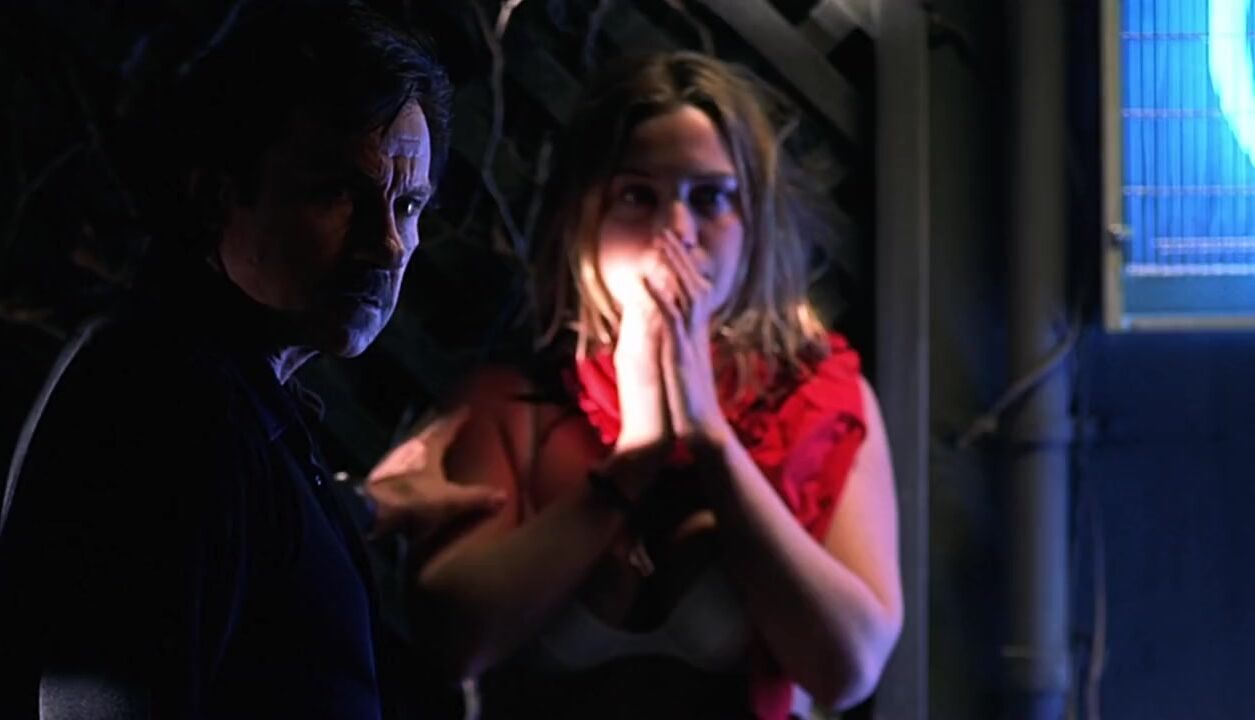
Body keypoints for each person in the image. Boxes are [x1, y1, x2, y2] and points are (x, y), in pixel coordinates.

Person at [0, 3, 503, 718]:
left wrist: (368, 505)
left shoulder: (226, 392)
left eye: (408, 205)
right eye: (339, 193)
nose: (389, 244)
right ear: (218, 193)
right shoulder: (163, 401)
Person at [411, 51, 903, 719]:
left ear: (752, 220)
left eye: (709, 198)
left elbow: (849, 670)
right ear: (585, 215)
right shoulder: (513, 403)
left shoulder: (817, 401)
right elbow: (449, 642)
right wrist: (635, 458)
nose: (675, 232)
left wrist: (711, 440)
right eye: (638, 196)